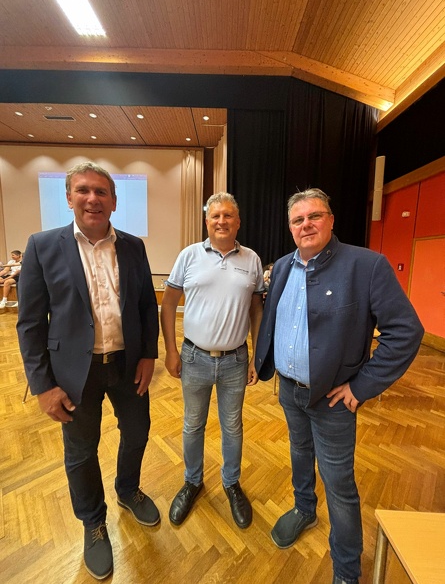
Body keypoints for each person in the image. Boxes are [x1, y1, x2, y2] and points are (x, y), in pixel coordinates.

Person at [255, 188, 424, 584]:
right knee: (299, 454)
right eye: (298, 220)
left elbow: (406, 332)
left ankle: (346, 570)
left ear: (331, 220)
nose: (306, 225)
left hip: (333, 399)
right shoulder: (282, 266)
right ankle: (304, 509)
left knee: (339, 484)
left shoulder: (367, 266)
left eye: (314, 216)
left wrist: (361, 387)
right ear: (290, 228)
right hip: (289, 389)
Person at [16, 162, 159, 580]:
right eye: (83, 190)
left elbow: (145, 305)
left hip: (128, 364)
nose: (92, 198)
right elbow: (30, 323)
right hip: (73, 373)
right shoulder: (42, 246)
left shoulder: (132, 246)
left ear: (114, 201)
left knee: (138, 432)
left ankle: (128, 489)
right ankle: (93, 522)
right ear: (69, 198)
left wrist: (148, 355)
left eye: (101, 192)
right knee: (81, 451)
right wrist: (43, 386)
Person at [161, 192, 264, 529]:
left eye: (228, 215)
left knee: (233, 426)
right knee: (193, 424)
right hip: (194, 358)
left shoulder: (251, 259)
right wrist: (171, 350)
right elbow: (168, 303)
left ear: (238, 221)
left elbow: (256, 309)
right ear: (207, 222)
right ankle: (192, 481)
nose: (222, 221)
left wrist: (257, 355)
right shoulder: (189, 255)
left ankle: (231, 483)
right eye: (215, 216)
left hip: (236, 360)